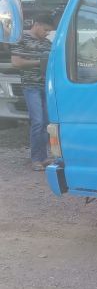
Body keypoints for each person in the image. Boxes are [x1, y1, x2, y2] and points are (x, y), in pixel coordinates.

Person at [11, 14, 56, 171]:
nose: (46, 33)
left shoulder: (47, 43)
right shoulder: (21, 38)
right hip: (31, 86)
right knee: (37, 122)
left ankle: (43, 157)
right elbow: (16, 62)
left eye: (49, 31)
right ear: (36, 24)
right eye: (45, 30)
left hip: (46, 87)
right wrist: (40, 62)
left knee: (46, 122)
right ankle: (36, 159)